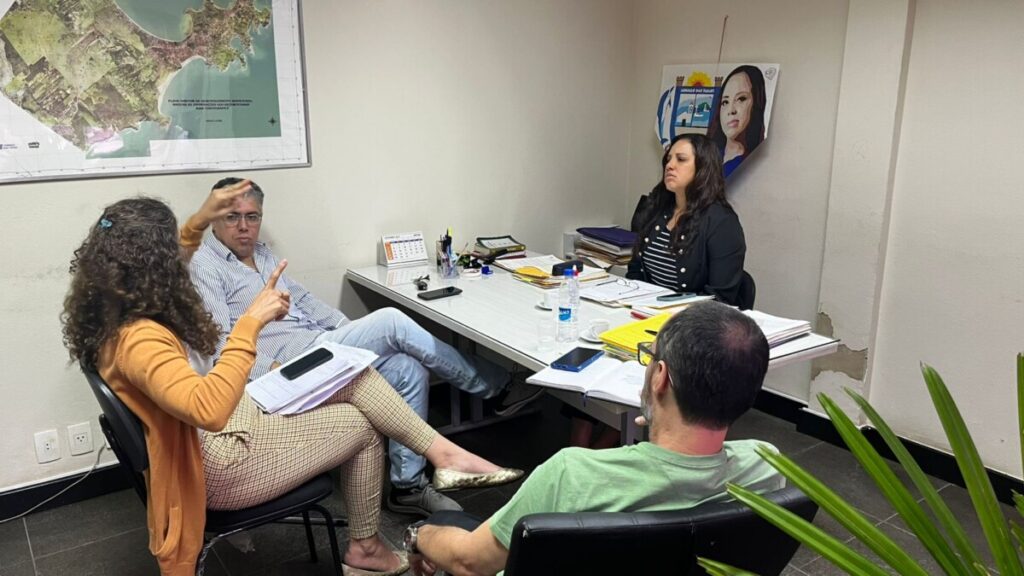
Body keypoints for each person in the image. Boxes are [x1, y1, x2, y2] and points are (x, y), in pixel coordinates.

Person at [62, 187, 523, 576]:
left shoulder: (115, 309)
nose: (183, 260)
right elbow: (208, 409)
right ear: (155, 264)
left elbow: (185, 253)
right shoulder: (140, 338)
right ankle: (374, 539)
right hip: (215, 461)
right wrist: (251, 323)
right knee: (365, 424)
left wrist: (200, 219)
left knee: (355, 376)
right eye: (171, 254)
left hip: (222, 432)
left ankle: (442, 458)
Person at [188, 177, 542, 517]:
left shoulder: (263, 255)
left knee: (407, 368)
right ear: (214, 219)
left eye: (252, 217)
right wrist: (275, 370)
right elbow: (219, 346)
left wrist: (353, 336)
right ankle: (499, 389)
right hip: (285, 369)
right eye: (232, 217)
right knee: (390, 321)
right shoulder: (205, 265)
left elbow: (306, 302)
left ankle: (408, 487)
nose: (244, 227)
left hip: (318, 346)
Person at [403, 301, 784, 576]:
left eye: (648, 357)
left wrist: (419, 535)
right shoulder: (768, 464)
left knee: (445, 521)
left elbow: (469, 563)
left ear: (660, 378)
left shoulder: (572, 473)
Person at [626, 133, 746, 305]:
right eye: (668, 159)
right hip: (645, 310)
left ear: (703, 168)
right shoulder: (657, 208)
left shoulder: (722, 222)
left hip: (690, 317)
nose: (670, 165)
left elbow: (719, 298)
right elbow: (636, 270)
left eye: (681, 159)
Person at [706, 65, 768, 178]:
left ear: (756, 103)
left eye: (741, 99)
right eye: (725, 102)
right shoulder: (707, 156)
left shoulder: (755, 166)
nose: (731, 110)